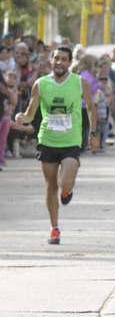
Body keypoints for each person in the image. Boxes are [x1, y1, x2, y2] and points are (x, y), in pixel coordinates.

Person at [15, 46, 98, 244]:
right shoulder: (41, 84)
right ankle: (54, 228)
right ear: (51, 61)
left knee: (66, 180)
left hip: (71, 140)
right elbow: (31, 111)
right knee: (50, 185)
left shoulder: (80, 83)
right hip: (48, 140)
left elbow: (91, 109)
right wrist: (22, 118)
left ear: (70, 62)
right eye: (56, 58)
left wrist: (93, 133)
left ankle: (67, 190)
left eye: (63, 59)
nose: (59, 62)